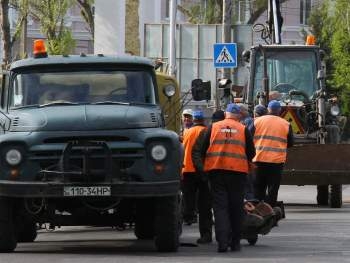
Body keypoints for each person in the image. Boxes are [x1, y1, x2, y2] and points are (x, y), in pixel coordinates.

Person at [197, 103, 255, 253]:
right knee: (236, 208)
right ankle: (235, 243)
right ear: (238, 116)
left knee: (220, 207)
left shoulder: (213, 127)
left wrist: (206, 167)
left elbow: (202, 150)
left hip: (216, 172)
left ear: (226, 114)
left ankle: (222, 243)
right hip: (238, 173)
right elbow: (252, 153)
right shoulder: (243, 129)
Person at [252, 100, 294, 207]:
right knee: (272, 189)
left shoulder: (257, 121)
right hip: (276, 162)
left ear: (268, 110)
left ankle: (257, 212)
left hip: (258, 160)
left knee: (258, 188)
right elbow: (290, 143)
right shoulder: (286, 124)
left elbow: (248, 138)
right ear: (279, 110)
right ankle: (270, 212)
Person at [181, 110, 213, 243]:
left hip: (187, 169)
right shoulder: (206, 132)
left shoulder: (187, 132)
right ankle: (206, 233)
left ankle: (188, 216)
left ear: (194, 120)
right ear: (203, 120)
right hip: (203, 170)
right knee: (204, 202)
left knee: (188, 198)